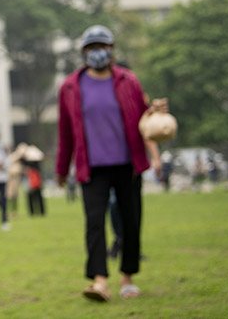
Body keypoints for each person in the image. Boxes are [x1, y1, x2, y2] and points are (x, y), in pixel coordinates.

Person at [55, 24, 166, 302]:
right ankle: (100, 281)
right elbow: (65, 132)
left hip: (127, 164)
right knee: (94, 223)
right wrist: (61, 169)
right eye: (92, 49)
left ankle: (127, 278)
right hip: (91, 167)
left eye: (102, 47)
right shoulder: (70, 87)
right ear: (84, 53)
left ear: (112, 50)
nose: (98, 53)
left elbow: (142, 119)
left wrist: (154, 112)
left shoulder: (129, 81)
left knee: (130, 221)